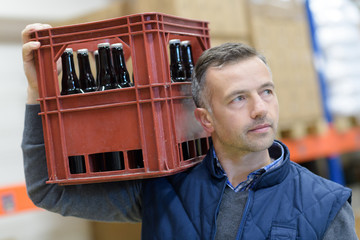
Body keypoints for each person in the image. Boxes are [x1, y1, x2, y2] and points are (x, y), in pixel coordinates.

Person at [22, 23, 357, 239]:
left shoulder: (324, 203)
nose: (260, 108)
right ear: (205, 118)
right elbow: (49, 191)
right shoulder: (165, 188)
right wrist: (37, 91)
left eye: (266, 91)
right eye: (238, 98)